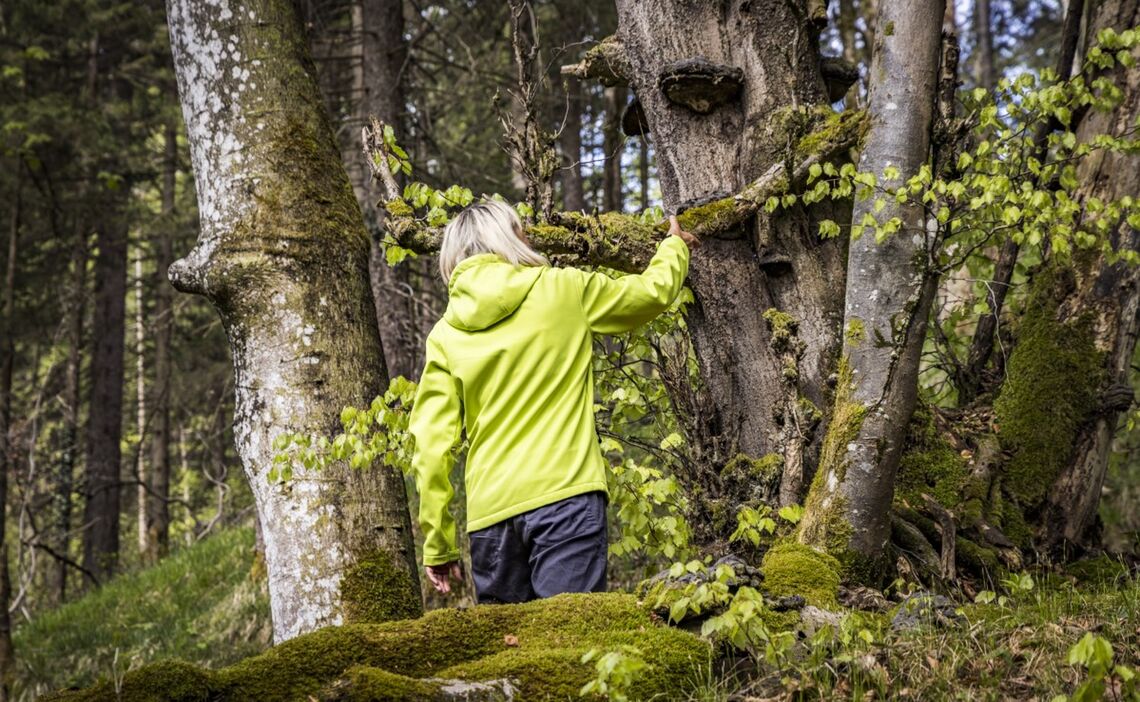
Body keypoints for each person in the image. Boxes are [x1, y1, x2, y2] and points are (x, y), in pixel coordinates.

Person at [408, 199, 696, 603]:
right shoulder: (562, 289)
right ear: (510, 238)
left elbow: (430, 447)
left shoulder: (445, 335)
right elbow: (651, 294)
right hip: (567, 497)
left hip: (492, 519)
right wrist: (673, 246)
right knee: (573, 645)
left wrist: (437, 542)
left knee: (509, 655)